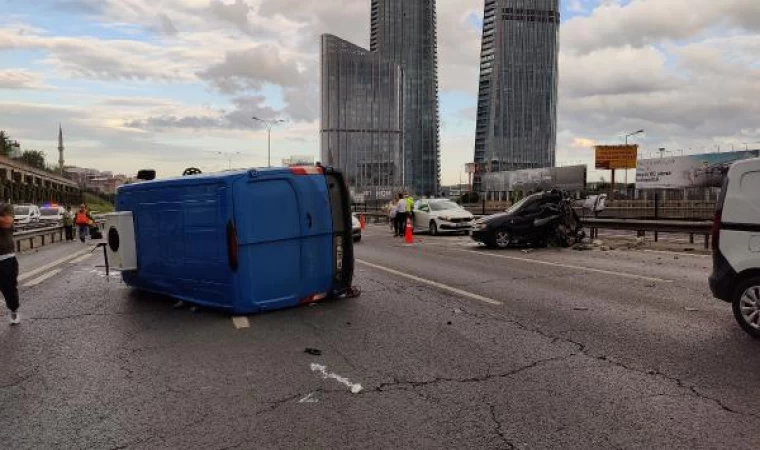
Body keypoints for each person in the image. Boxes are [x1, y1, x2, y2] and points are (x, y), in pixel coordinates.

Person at [0, 203, 20, 325]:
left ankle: (14, 310)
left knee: (8, 289)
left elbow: (7, 222)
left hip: (5, 258)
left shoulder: (6, 207)